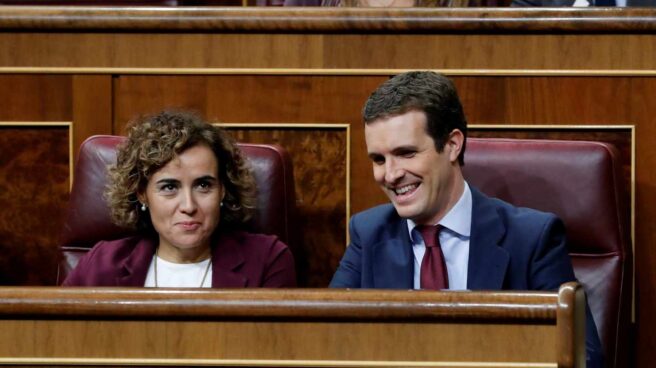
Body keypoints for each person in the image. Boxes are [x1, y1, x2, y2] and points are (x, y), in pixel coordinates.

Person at [329, 71, 603, 366]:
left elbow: (581, 357)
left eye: (406, 153)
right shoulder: (368, 235)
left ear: (452, 145)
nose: (391, 174)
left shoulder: (532, 238)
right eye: (379, 160)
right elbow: (325, 343)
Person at [64, 111, 296, 288]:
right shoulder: (100, 265)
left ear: (223, 190)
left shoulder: (267, 260)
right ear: (142, 193)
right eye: (169, 187)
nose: (188, 206)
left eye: (203, 185)